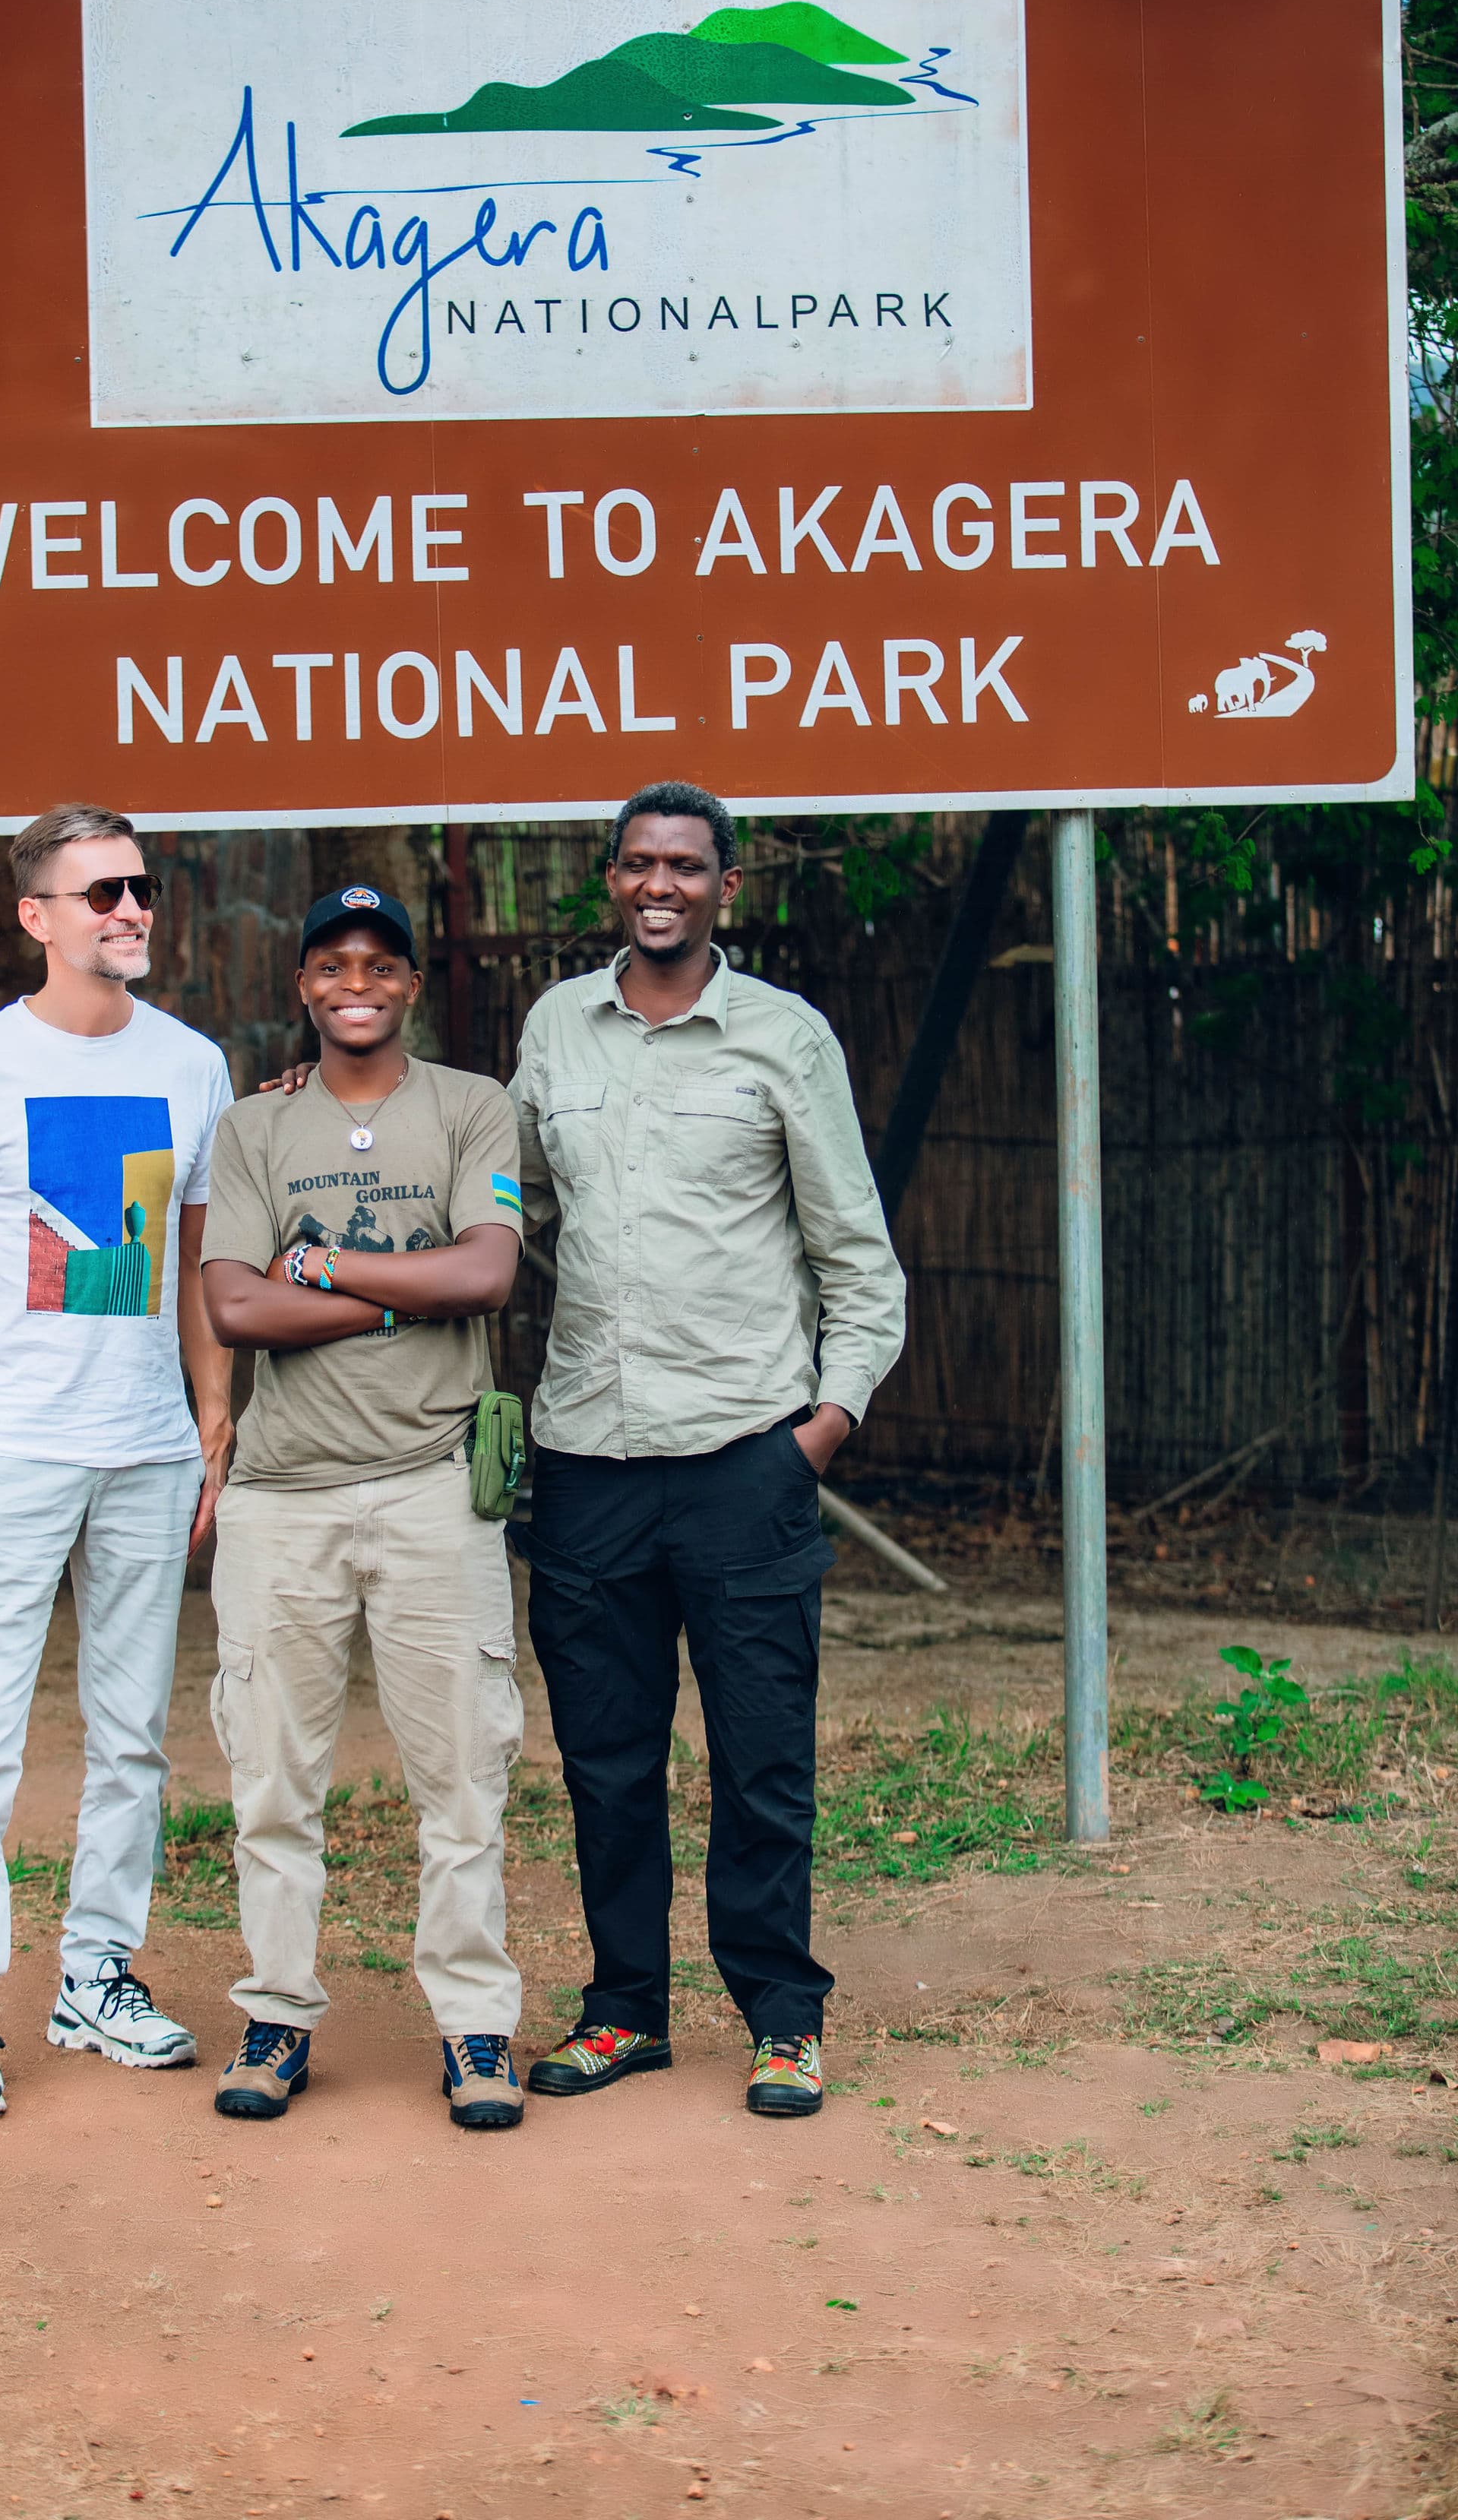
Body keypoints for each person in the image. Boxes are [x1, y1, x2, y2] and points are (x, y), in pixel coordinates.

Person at [514, 781, 906, 2117]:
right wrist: (337, 1102)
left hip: (747, 1459)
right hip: (585, 1463)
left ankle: (783, 2016)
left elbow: (859, 1259)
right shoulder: (557, 1028)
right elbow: (501, 1203)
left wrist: (821, 1430)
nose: (660, 884)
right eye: (638, 864)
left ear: (726, 887)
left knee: (760, 1757)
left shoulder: (785, 1039)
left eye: (686, 864)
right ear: (611, 881)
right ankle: (624, 2010)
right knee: (606, 1761)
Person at [0, 803, 235, 2122]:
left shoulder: (193, 1064)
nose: (128, 911)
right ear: (38, 917)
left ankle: (97, 1975)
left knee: (132, 1740)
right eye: (99, 895)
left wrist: (212, 1414)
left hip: (147, 1452)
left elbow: (198, 1256)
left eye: (138, 890)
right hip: (6, 1455)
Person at [199, 885, 527, 2130]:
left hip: (436, 1490)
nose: (355, 982)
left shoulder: (471, 1108)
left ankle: (475, 2027)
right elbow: (234, 1307)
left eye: (378, 964)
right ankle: (278, 2015)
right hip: (283, 1500)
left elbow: (486, 1271)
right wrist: (411, 1288)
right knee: (273, 1781)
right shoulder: (252, 1129)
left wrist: (328, 1270)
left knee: (462, 1780)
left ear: (408, 985)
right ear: (304, 986)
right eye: (331, 963)